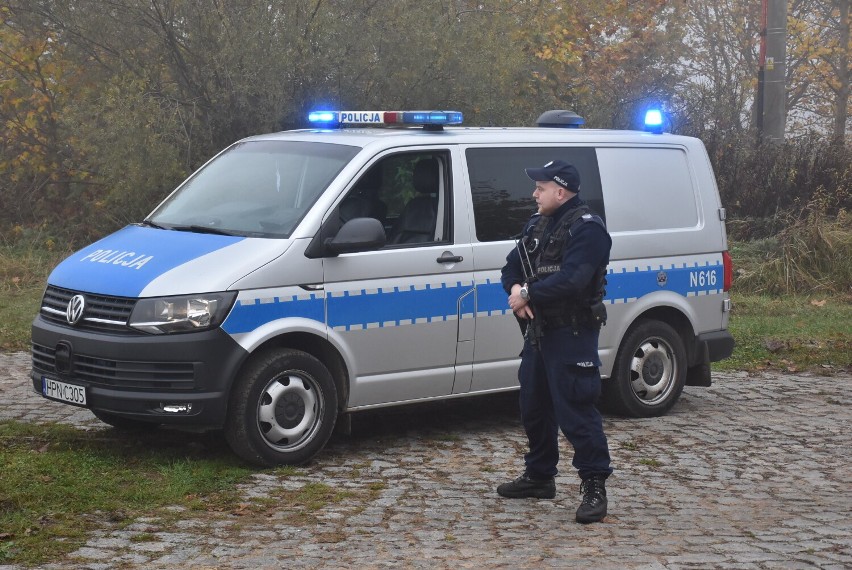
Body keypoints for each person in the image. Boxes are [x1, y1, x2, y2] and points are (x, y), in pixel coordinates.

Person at [497, 159, 613, 524]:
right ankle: (540, 476)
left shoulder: (588, 230)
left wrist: (528, 294)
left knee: (575, 410)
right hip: (539, 335)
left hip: (572, 333)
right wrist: (516, 289)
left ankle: (594, 485)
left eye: (540, 187)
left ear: (560, 191)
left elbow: (573, 279)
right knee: (533, 406)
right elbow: (510, 267)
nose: (534, 193)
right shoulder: (536, 224)